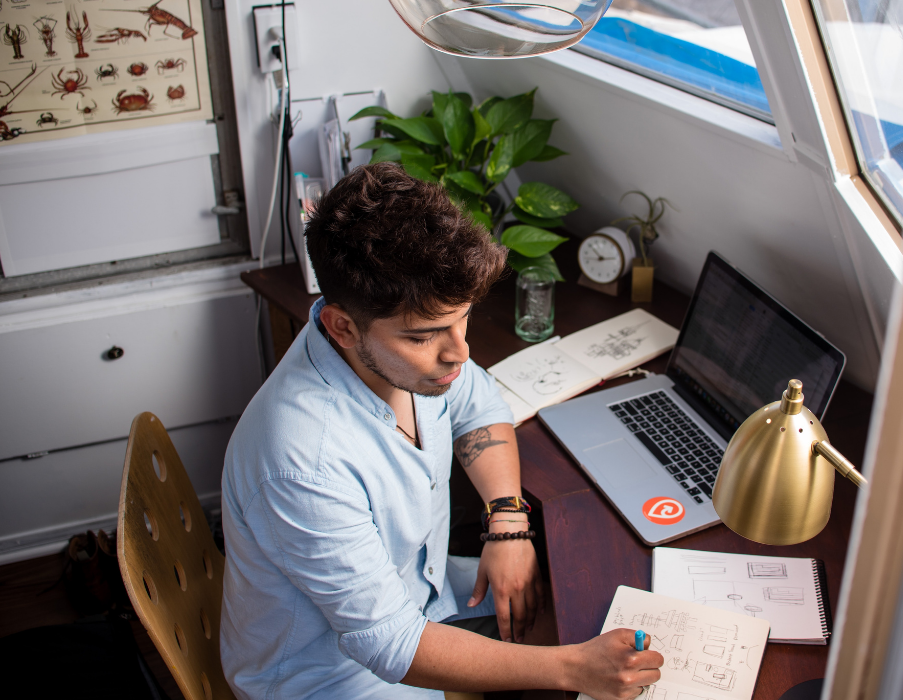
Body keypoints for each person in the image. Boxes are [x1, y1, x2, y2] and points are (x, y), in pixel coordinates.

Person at [219, 162, 663, 699]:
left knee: (571, 612)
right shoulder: (302, 462)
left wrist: (508, 521)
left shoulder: (401, 355)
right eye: (426, 335)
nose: (460, 352)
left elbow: (478, 401)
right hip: (331, 676)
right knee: (572, 663)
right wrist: (572, 669)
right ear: (342, 326)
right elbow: (392, 646)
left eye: (464, 317)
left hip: (420, 592)